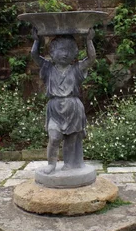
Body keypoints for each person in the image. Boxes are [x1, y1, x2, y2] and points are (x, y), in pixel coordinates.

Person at [31, 27, 96, 175]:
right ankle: (51, 164)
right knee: (54, 137)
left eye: (69, 50)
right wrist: (36, 41)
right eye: (61, 50)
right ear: (52, 53)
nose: (65, 53)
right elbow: (34, 56)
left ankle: (70, 164)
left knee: (71, 140)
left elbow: (91, 59)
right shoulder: (48, 68)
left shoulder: (76, 69)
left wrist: (89, 40)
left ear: (74, 53)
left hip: (73, 107)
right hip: (54, 107)